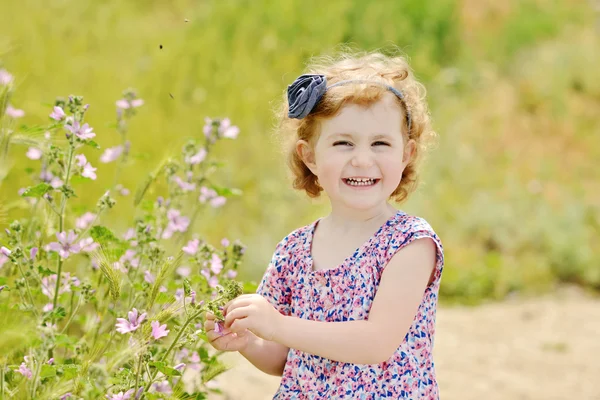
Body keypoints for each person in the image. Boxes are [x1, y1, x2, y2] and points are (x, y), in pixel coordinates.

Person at [204, 50, 444, 399]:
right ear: (310, 156)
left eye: (380, 143)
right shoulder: (294, 250)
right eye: (343, 143)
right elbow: (283, 358)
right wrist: (249, 341)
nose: (362, 160)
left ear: (405, 154)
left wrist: (278, 325)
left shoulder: (409, 242)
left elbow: (375, 343)